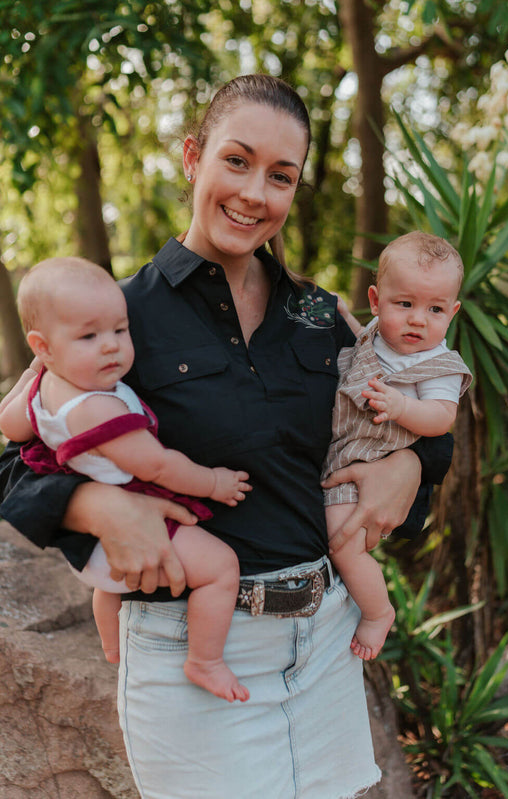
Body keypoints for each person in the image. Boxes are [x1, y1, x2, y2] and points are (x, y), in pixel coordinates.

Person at [0, 74, 454, 799]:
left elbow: (412, 408)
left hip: (325, 639)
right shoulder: (115, 317)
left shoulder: (318, 312)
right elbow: (18, 455)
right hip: (194, 650)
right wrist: (95, 507)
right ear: (192, 157)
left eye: (280, 176)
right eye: (235, 161)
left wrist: (409, 461)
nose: (254, 193)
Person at [0, 257, 252, 702]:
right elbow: (156, 465)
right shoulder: (99, 407)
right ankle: (205, 660)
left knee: (108, 591)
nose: (111, 347)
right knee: (220, 569)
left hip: (94, 558)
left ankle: (112, 647)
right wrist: (213, 482)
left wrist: (28, 379)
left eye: (120, 330)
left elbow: (13, 428)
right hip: (127, 530)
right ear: (42, 345)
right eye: (89, 336)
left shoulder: (45, 386)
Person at [322, 232, 472, 660]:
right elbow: (358, 352)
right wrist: (342, 315)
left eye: (435, 309)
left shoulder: (436, 363)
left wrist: (402, 404)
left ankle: (377, 612)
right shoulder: (379, 336)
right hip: (341, 450)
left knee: (342, 540)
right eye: (404, 304)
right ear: (376, 300)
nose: (418, 320)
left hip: (370, 458)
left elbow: (441, 418)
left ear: (453, 312)